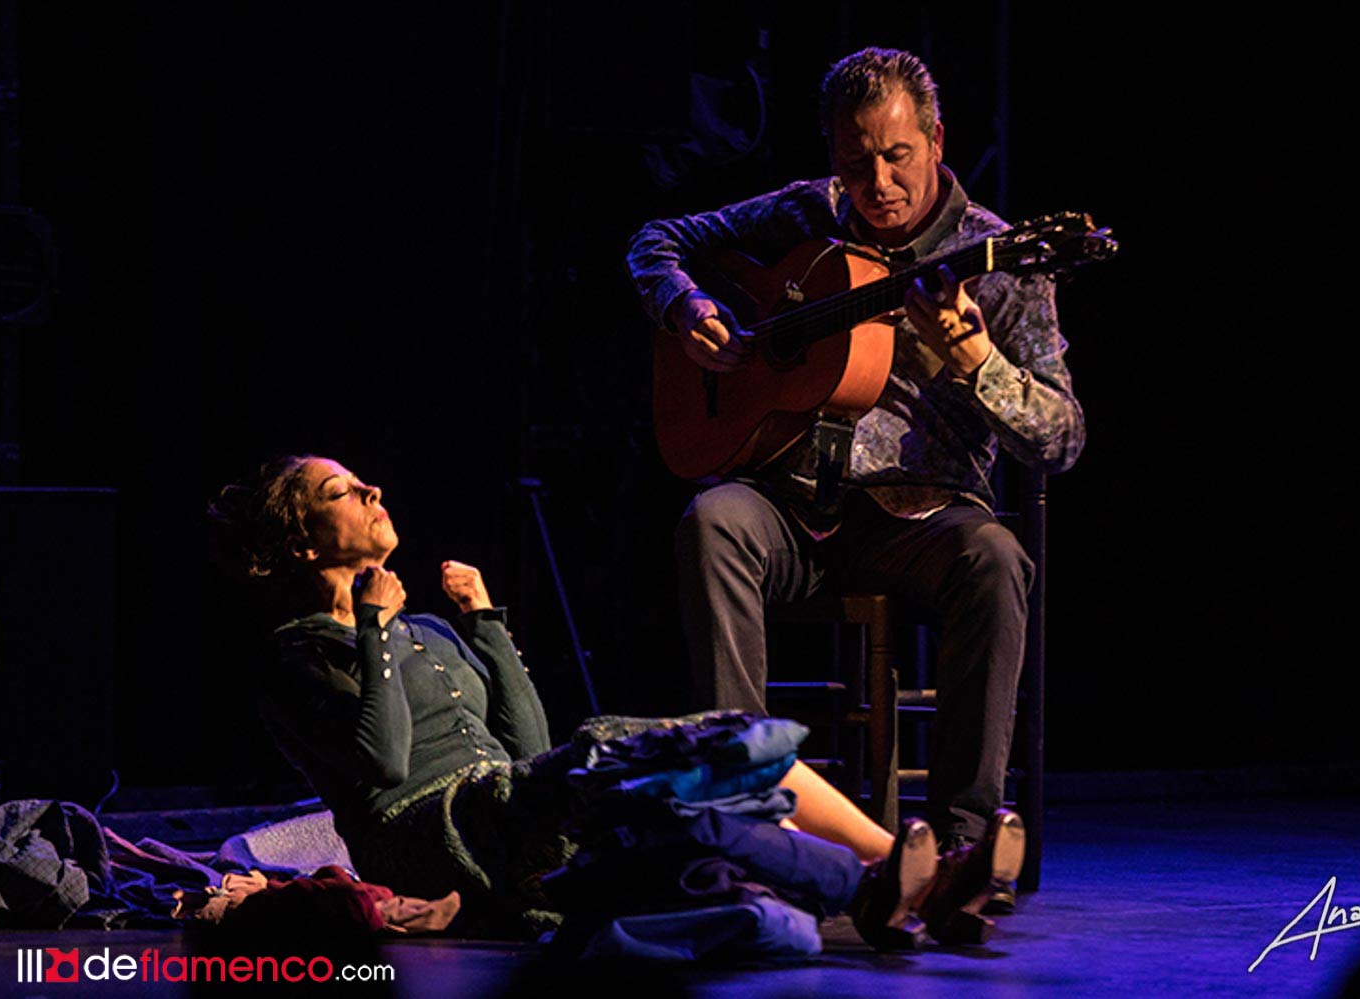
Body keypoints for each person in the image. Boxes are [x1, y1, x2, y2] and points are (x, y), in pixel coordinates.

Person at [207, 454, 1024, 950]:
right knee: (670, 760)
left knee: (721, 750)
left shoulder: (425, 625)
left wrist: (486, 623)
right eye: (344, 490)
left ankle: (913, 873)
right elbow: (383, 759)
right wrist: (377, 625)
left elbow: (525, 743)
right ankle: (906, 877)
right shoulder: (296, 655)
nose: (373, 488)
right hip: (441, 836)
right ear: (306, 542)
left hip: (515, 800)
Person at [627, 47, 1085, 905]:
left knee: (995, 559)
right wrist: (685, 305)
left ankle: (961, 849)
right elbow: (655, 240)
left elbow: (1061, 440)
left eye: (896, 154)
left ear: (936, 139)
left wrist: (977, 360)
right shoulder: (808, 210)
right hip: (791, 504)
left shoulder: (1003, 257)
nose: (875, 180)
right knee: (712, 519)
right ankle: (745, 816)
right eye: (854, 160)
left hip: (923, 518)